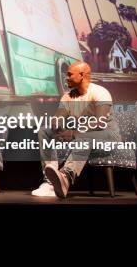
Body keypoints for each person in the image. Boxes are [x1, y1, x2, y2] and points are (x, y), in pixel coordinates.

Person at [32, 61, 121, 198]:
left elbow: (100, 122)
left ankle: (66, 177)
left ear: (82, 75)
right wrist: (57, 123)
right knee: (45, 131)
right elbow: (59, 115)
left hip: (108, 135)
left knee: (84, 137)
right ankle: (50, 183)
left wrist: (74, 133)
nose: (66, 78)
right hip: (82, 134)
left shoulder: (100, 92)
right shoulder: (68, 96)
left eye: (69, 75)